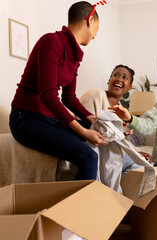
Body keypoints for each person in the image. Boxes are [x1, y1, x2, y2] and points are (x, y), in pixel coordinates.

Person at [9, 1, 108, 180]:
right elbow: (48, 96)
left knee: (102, 132)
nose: (95, 35)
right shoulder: (51, 42)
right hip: (25, 118)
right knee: (89, 157)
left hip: (47, 119)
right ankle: (83, 208)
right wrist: (84, 132)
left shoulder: (75, 56)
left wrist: (90, 118)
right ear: (90, 20)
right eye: (97, 28)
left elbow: (69, 98)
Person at [79, 64, 151, 175]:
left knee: (147, 166)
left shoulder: (121, 111)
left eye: (124, 78)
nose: (119, 79)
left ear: (129, 87)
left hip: (115, 154)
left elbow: (123, 140)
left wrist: (137, 152)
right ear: (109, 80)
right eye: (116, 75)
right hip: (96, 152)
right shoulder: (95, 95)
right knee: (142, 167)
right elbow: (82, 127)